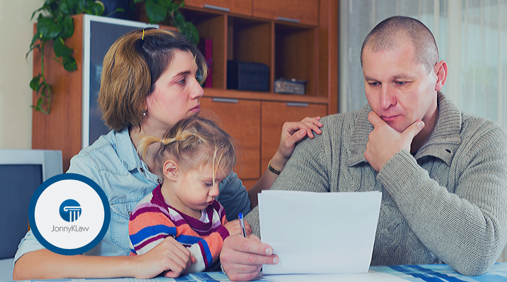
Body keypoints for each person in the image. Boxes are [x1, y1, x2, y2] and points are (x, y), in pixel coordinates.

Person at [220, 15, 507, 280]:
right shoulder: (327, 138)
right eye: (373, 83)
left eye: (401, 82)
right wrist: (237, 253)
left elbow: (478, 251)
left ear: (438, 76)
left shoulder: (487, 140)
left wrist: (393, 162)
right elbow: (259, 233)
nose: (384, 101)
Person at [13, 28, 322, 279]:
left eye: (196, 78)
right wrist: (136, 265)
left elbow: (245, 209)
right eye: (181, 80)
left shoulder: (201, 145)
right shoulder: (97, 168)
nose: (199, 90)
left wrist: (280, 158)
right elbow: (27, 266)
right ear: (139, 98)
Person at [129, 116, 251, 273]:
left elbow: (224, 255)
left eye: (219, 182)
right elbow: (170, 268)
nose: (216, 192)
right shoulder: (148, 215)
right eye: (208, 183)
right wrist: (222, 237)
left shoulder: (215, 211)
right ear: (172, 171)